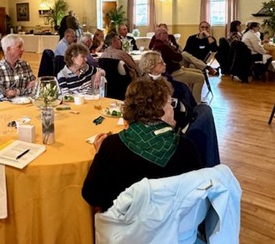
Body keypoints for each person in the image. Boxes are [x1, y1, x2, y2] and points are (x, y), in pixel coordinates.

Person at [82, 78, 202, 212]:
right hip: (171, 222)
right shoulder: (185, 147)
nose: (173, 109)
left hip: (122, 223)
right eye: (170, 103)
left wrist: (100, 154)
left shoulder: (111, 145)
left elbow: (92, 196)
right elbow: (198, 195)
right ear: (159, 109)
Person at [139, 51, 220, 167]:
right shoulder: (148, 88)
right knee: (204, 113)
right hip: (172, 123)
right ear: (151, 66)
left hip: (177, 117)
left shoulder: (164, 82)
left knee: (203, 110)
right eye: (161, 63)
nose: (165, 64)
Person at [152, 27, 205, 103]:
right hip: (173, 73)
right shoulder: (163, 46)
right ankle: (196, 103)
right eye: (165, 33)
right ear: (160, 35)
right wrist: (171, 47)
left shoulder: (157, 45)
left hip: (176, 69)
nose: (168, 35)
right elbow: (179, 58)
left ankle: (191, 98)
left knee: (199, 72)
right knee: (200, 78)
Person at [0, 34, 36, 102]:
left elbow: (35, 89)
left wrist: (14, 92)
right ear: (8, 49)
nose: (23, 50)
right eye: (19, 47)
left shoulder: (25, 65)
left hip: (26, 106)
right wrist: (25, 90)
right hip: (6, 108)